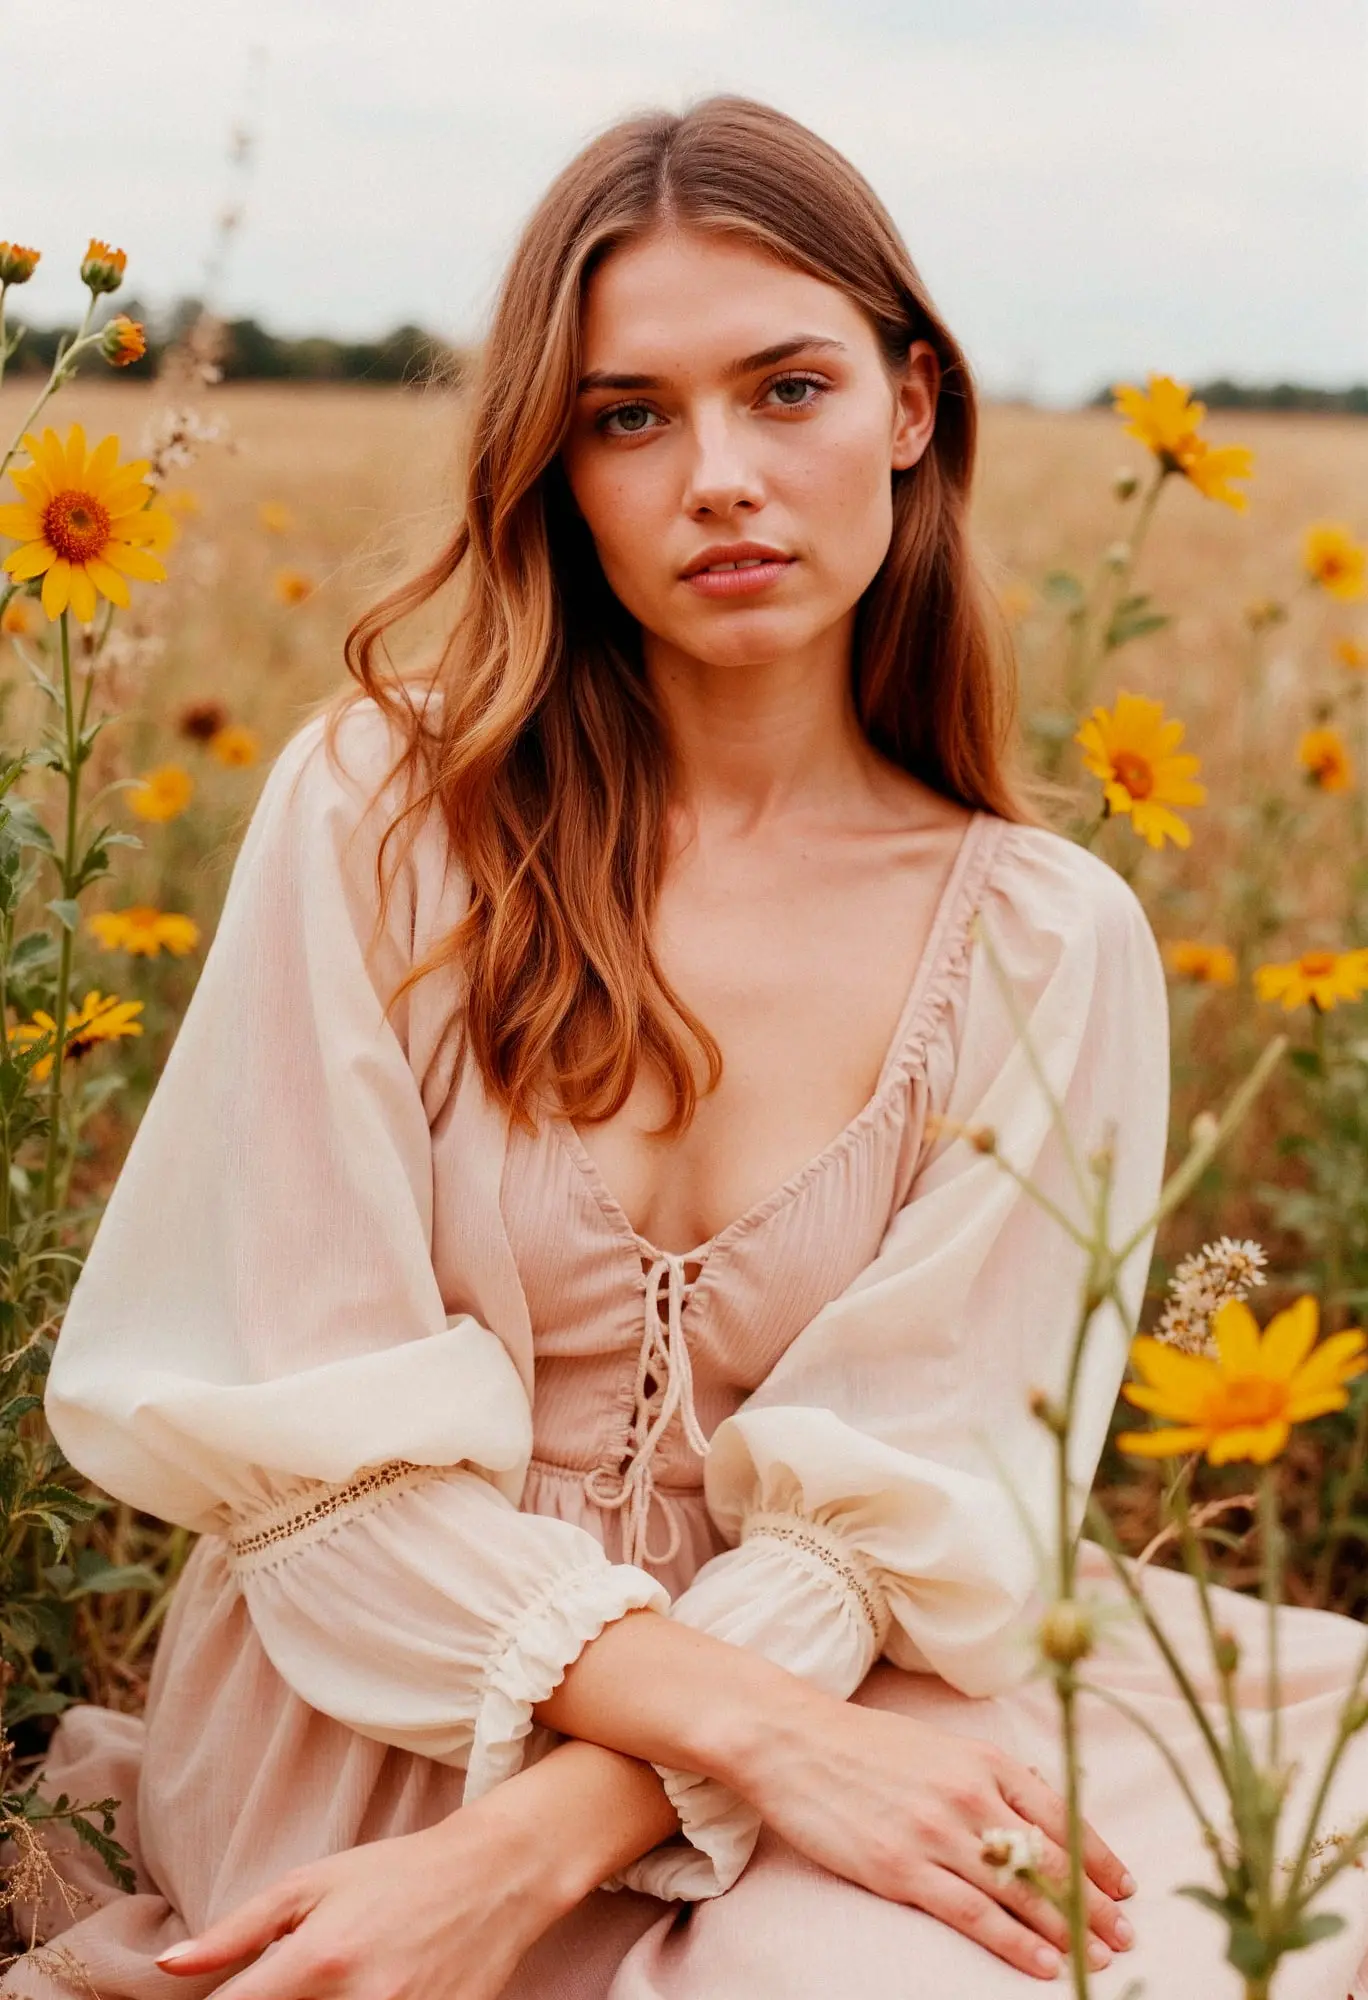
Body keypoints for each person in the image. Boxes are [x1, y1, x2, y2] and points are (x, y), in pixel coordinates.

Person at [4, 94, 1368, 2000]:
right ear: (557, 468)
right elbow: (310, 1477)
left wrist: (586, 1819)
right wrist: (708, 1753)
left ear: (911, 406)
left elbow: (920, 1509)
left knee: (1277, 1869)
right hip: (381, 1702)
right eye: (628, 414)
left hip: (853, 1683)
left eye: (786, 388)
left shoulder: (1051, 941)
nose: (717, 473)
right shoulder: (386, 822)